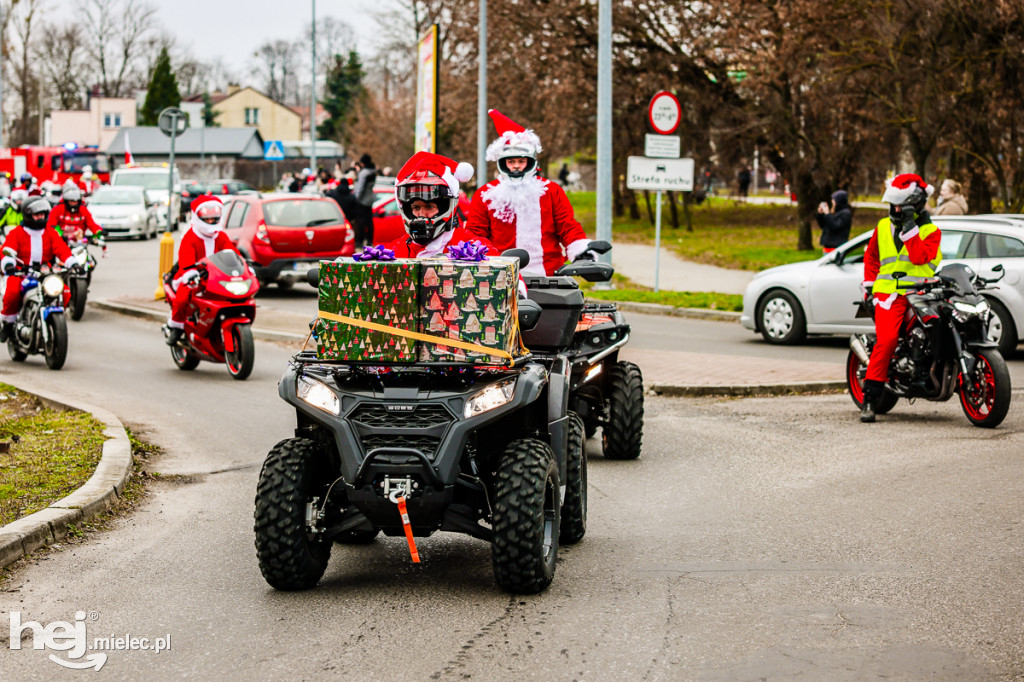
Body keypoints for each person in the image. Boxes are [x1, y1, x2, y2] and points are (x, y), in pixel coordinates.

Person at [464, 109, 594, 276]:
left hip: (548, 273)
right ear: (502, 163)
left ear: (531, 162)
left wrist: (581, 251)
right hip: (500, 275)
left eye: (521, 161)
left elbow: (567, 226)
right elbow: (476, 232)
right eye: (511, 161)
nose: (516, 166)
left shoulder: (551, 191)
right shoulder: (486, 194)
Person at [859, 173, 941, 423]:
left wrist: (910, 229)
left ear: (915, 205)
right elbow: (872, 257)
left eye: (900, 204)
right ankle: (870, 400)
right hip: (889, 296)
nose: (894, 209)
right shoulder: (883, 227)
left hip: (921, 294)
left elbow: (919, 258)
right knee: (888, 339)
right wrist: (869, 287)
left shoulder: (931, 231)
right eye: (892, 204)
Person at [379, 151, 493, 258]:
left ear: (446, 207)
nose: (421, 214)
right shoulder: (394, 251)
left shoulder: (473, 249)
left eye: (429, 207)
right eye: (416, 207)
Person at [164, 195, 243, 346]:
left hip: (217, 277)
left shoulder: (221, 236)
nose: (211, 222)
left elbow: (232, 252)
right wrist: (190, 272)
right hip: (194, 278)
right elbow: (185, 257)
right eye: (207, 219)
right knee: (182, 297)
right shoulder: (190, 237)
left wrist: (243, 266)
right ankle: (176, 327)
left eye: (214, 218)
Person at [0, 197, 79, 341]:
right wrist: (9, 265)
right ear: (28, 215)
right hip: (21, 273)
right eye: (37, 215)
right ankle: (8, 324)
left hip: (44, 273)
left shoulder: (50, 233)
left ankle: (55, 320)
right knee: (12, 293)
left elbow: (62, 249)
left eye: (43, 214)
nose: (40, 217)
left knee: (65, 291)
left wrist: (73, 263)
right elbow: (8, 249)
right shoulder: (17, 232)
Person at [350, 153, 378, 247]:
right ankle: (370, 240)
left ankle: (360, 241)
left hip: (362, 201)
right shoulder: (373, 171)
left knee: (361, 223)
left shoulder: (364, 173)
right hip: (370, 200)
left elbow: (360, 187)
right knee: (369, 221)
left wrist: (356, 198)